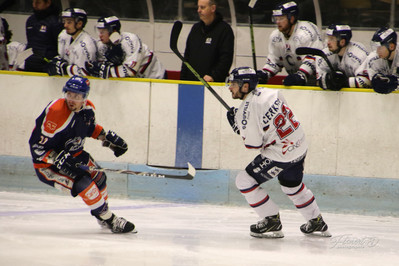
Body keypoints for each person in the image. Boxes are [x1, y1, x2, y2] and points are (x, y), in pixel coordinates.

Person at [225, 66, 330, 238]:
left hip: (281, 153)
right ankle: (316, 220)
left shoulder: (245, 111)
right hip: (299, 143)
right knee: (292, 186)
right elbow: (285, 112)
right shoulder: (270, 92)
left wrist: (239, 128)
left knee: (244, 181)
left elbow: (253, 145)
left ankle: (271, 219)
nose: (230, 87)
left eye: (233, 84)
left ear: (245, 86)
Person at [29, 75, 136, 234]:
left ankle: (102, 216)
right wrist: (56, 158)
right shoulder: (55, 112)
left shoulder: (88, 110)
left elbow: (88, 128)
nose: (72, 99)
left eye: (77, 96)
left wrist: (107, 139)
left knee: (100, 178)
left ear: (85, 97)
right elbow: (36, 146)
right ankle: (110, 219)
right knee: (85, 184)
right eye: (69, 94)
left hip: (76, 155)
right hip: (49, 166)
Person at [257, 1, 323, 86]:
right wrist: (264, 74)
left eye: (281, 18)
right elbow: (275, 61)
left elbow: (313, 58)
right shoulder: (275, 36)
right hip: (297, 79)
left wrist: (301, 75)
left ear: (292, 18)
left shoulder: (305, 32)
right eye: (276, 19)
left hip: (317, 81)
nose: (277, 22)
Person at [86, 16, 165, 79]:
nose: (100, 35)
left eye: (103, 32)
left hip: (155, 77)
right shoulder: (102, 44)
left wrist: (107, 71)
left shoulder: (130, 40)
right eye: (99, 32)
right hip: (136, 81)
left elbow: (131, 71)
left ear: (113, 31)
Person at [180, 0, 234, 82]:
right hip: (191, 83)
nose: (198, 10)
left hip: (212, 85)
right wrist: (183, 79)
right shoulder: (195, 28)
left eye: (202, 7)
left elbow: (226, 59)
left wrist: (213, 76)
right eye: (198, 7)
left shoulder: (224, 30)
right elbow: (187, 56)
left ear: (213, 8)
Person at [316, 24, 370, 91]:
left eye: (332, 39)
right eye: (328, 38)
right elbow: (319, 80)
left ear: (342, 42)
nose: (328, 42)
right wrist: (327, 80)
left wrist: (344, 82)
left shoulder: (358, 55)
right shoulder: (325, 54)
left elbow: (367, 81)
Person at [47, 8, 97, 77]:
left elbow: (84, 72)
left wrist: (64, 68)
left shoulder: (86, 45)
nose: (65, 25)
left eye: (69, 22)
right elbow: (61, 57)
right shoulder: (63, 35)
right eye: (64, 21)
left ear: (79, 24)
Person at [356, 27, 399, 94]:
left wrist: (394, 83)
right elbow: (361, 77)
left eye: (380, 47)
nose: (377, 51)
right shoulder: (373, 58)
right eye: (376, 47)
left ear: (391, 46)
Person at [24, 0, 63, 72]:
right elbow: (30, 43)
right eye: (33, 2)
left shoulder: (55, 22)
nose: (34, 5)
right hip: (29, 63)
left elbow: (60, 47)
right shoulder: (30, 20)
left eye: (38, 2)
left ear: (48, 3)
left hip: (46, 66)